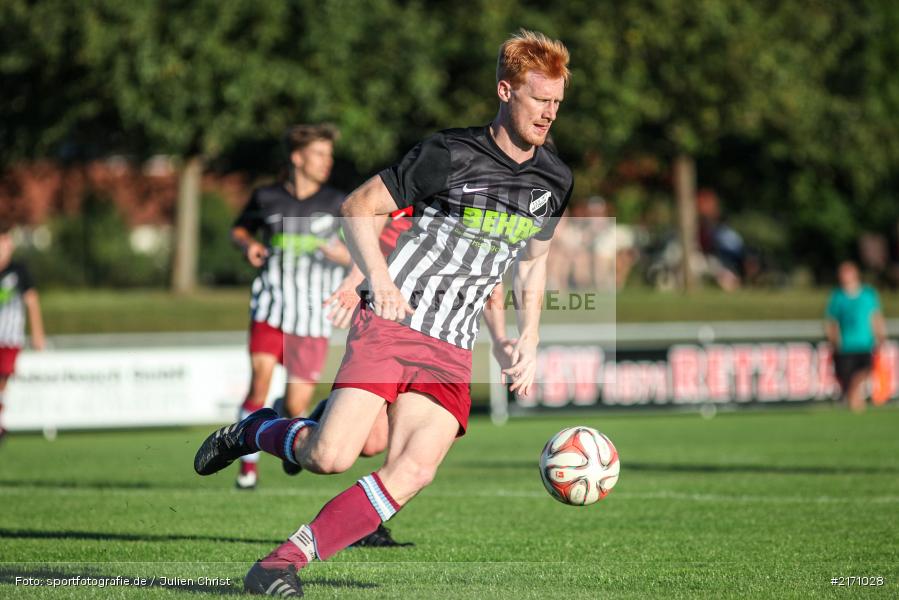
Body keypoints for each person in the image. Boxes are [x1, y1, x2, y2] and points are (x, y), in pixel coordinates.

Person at [194, 29, 573, 596]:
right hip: (394, 325)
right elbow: (358, 207)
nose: (549, 113)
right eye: (539, 99)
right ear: (504, 90)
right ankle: (258, 428)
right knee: (330, 455)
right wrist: (377, 280)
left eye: (557, 102)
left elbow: (532, 264)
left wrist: (529, 338)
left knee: (414, 470)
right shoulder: (449, 153)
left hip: (450, 346)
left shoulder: (555, 179)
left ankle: (281, 564)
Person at [230, 124, 351, 489]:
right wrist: (248, 245)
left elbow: (360, 256)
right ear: (297, 158)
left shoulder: (338, 203)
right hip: (271, 307)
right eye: (319, 154)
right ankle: (247, 469)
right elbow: (239, 230)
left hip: (312, 316)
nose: (326, 162)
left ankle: (283, 423)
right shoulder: (267, 197)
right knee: (258, 384)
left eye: (329, 155)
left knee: (297, 406)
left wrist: (341, 254)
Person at [0, 227, 46, 442]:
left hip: (10, 338)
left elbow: (32, 300)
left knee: (2, 379)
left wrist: (37, 332)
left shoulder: (18, 271)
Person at [825, 261, 887, 412]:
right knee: (847, 378)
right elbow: (831, 320)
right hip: (845, 345)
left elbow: (875, 316)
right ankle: (855, 405)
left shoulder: (868, 294)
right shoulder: (837, 296)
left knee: (863, 373)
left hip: (865, 343)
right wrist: (833, 339)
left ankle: (855, 401)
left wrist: (881, 334)